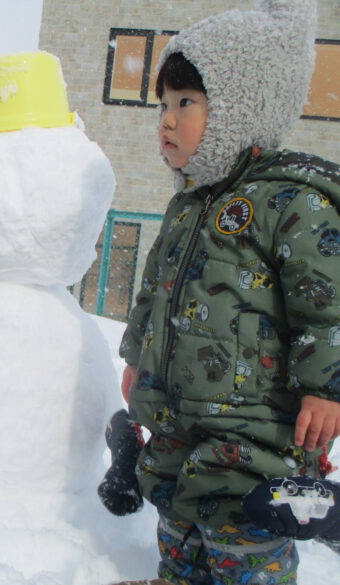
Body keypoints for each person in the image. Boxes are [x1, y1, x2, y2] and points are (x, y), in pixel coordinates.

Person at [115, 0, 340, 583]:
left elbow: (327, 304)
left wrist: (326, 387)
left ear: (241, 107)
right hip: (178, 420)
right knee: (179, 526)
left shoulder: (292, 202)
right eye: (164, 104)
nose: (166, 119)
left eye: (185, 102)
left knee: (243, 543)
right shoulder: (187, 205)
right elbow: (155, 290)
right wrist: (136, 357)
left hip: (256, 434)